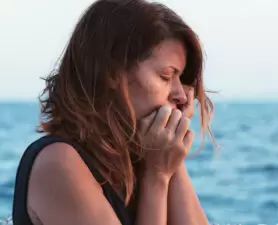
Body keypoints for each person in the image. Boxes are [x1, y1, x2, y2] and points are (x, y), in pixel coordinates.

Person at [12, 0, 215, 224]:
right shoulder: (59, 163)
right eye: (166, 76)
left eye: (181, 79)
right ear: (112, 73)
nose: (182, 96)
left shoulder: (142, 160)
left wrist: (172, 156)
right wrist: (157, 177)